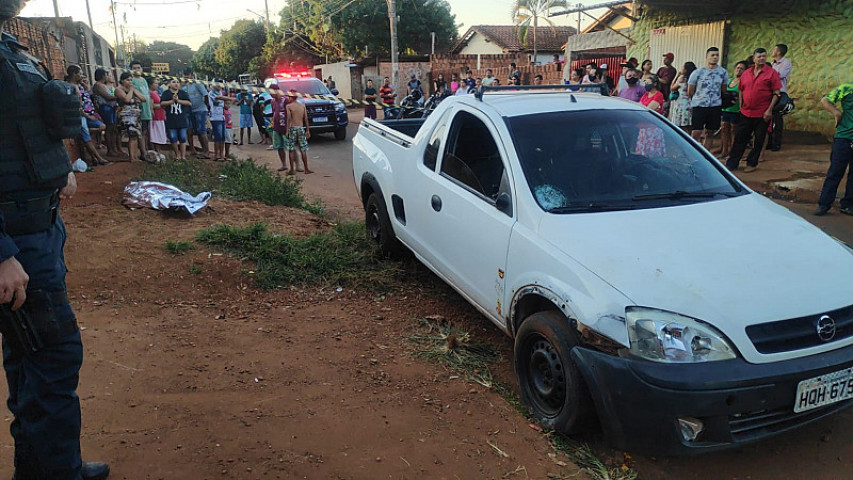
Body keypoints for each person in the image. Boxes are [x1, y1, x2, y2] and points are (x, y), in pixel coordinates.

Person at [0, 2, 110, 478]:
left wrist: (57, 169)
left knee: (29, 354)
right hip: (15, 239)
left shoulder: (10, 47)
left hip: (37, 228)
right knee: (54, 353)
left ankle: (46, 465)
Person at [725, 48, 782, 173]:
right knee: (740, 137)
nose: (762, 58)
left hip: (762, 113)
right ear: (754, 58)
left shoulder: (772, 73)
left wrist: (769, 110)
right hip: (746, 112)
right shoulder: (746, 73)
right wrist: (741, 105)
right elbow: (741, 89)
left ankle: (752, 163)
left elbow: (776, 93)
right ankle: (732, 163)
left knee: (759, 139)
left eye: (764, 56)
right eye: (759, 56)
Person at [814, 82, 853, 216]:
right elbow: (825, 100)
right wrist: (836, 112)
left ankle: (848, 205)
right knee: (835, 171)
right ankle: (824, 204)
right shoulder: (847, 88)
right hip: (844, 137)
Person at [65, 65, 108, 166]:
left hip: (88, 114)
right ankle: (98, 158)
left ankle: (94, 156)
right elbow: (76, 105)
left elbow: (88, 95)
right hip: (81, 115)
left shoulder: (80, 85)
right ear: (74, 74)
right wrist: (87, 116)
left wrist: (85, 86)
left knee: (101, 126)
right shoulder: (70, 86)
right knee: (86, 136)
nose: (81, 76)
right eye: (80, 74)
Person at [687, 47, 728, 148]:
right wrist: (698, 99)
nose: (715, 57)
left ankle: (706, 154)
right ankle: (693, 153)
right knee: (696, 132)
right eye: (712, 55)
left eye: (717, 55)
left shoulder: (723, 72)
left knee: (710, 132)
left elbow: (723, 90)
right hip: (699, 105)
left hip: (715, 106)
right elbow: (690, 90)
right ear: (707, 57)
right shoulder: (698, 72)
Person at [115, 71, 148, 162]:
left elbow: (143, 99)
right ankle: (132, 157)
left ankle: (134, 156)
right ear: (122, 81)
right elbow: (127, 99)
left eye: (130, 80)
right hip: (126, 116)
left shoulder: (132, 89)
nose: (129, 82)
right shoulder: (118, 89)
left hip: (135, 116)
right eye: (127, 80)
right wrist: (132, 90)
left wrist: (134, 90)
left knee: (136, 135)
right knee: (132, 135)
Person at [719, 61, 747, 159]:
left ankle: (732, 151)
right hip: (726, 109)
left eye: (741, 68)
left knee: (733, 130)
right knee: (724, 129)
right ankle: (724, 150)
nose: (738, 70)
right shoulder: (729, 81)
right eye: (737, 68)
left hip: (736, 110)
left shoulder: (743, 82)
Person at [92, 67, 122, 158]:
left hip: (110, 107)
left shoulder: (102, 85)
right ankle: (110, 150)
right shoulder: (98, 85)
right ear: (102, 76)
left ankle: (114, 149)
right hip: (105, 108)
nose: (107, 77)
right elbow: (108, 97)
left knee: (113, 128)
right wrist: (120, 96)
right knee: (109, 128)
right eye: (106, 75)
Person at [159, 78, 192, 160]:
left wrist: (178, 100)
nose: (176, 84)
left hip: (182, 119)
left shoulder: (183, 93)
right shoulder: (166, 93)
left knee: (183, 138)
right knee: (173, 138)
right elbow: (162, 103)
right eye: (174, 82)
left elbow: (189, 103)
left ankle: (183, 156)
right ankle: (177, 155)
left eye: (177, 82)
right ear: (169, 84)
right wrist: (172, 101)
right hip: (171, 120)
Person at [769, 43, 792, 151]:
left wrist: (769, 74)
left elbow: (780, 75)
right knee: (768, 118)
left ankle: (776, 143)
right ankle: (768, 141)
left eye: (774, 49)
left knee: (777, 118)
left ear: (778, 52)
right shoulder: (771, 64)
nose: (772, 51)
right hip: (769, 92)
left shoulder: (786, 63)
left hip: (780, 92)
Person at [285, 89, 313, 175]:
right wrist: (307, 130)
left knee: (291, 149)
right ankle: (306, 169)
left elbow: (289, 119)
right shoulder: (302, 106)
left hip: (293, 128)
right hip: (301, 128)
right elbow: (306, 119)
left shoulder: (288, 106)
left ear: (290, 97)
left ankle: (292, 169)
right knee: (303, 149)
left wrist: (287, 130)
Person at [184, 71, 210, 159]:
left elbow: (206, 95)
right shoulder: (187, 85)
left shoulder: (198, 84)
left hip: (200, 110)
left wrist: (206, 106)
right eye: (185, 75)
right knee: (190, 130)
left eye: (188, 75)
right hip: (191, 110)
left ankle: (206, 151)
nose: (186, 77)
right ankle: (193, 150)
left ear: (192, 75)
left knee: (201, 130)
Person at [129, 61, 151, 155]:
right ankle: (143, 153)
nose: (137, 70)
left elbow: (148, 95)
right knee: (141, 132)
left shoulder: (144, 80)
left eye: (138, 67)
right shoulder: (132, 81)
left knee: (146, 131)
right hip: (139, 110)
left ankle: (145, 149)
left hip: (147, 110)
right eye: (134, 68)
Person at [668, 61, 696, 132]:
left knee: (680, 126)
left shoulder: (682, 79)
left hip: (681, 104)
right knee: (689, 126)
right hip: (690, 103)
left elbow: (672, 88)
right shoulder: (694, 79)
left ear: (686, 70)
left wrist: (677, 75)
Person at [269, 85, 292, 172]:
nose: (270, 94)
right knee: (279, 147)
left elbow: (290, 114)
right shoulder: (273, 101)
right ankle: (284, 164)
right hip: (276, 127)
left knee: (290, 147)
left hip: (285, 127)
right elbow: (274, 112)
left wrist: (289, 127)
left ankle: (296, 165)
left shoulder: (285, 100)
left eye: (271, 92)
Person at [207, 80, 230, 161]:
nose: (220, 86)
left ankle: (221, 154)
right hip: (215, 117)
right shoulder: (211, 93)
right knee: (218, 137)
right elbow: (219, 98)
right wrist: (231, 98)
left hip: (222, 116)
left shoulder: (220, 92)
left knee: (223, 137)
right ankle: (216, 154)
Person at [148, 76, 168, 153]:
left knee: (160, 134)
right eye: (155, 83)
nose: (157, 85)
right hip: (156, 117)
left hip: (160, 115)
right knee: (155, 134)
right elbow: (152, 105)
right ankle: (156, 151)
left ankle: (159, 151)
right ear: (150, 85)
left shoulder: (156, 93)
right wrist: (163, 105)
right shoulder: (150, 93)